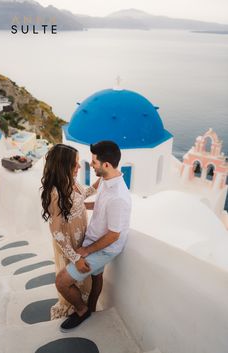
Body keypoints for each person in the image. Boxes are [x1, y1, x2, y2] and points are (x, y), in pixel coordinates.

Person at [56, 140, 132, 331]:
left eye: (94, 162)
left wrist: (85, 250)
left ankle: (82, 311)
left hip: (104, 248)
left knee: (62, 281)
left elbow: (114, 235)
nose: (91, 165)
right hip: (94, 239)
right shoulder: (107, 180)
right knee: (97, 278)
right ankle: (91, 309)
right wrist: (79, 206)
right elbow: (98, 205)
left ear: (106, 165)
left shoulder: (119, 197)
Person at [41, 143, 99, 320]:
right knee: (72, 278)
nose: (79, 167)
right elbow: (56, 232)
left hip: (81, 240)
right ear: (64, 165)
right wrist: (75, 257)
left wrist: (103, 178)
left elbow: (83, 195)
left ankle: (83, 305)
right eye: (76, 163)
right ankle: (80, 309)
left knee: (83, 280)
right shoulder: (55, 193)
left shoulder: (71, 182)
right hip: (70, 246)